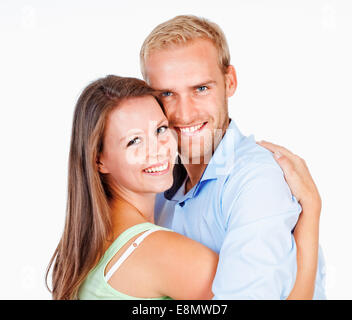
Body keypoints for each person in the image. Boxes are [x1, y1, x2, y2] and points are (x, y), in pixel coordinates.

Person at [46, 75, 321, 299]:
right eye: (133, 141)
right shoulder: (160, 253)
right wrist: (311, 214)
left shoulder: (86, 250)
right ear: (99, 160)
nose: (158, 150)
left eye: (161, 129)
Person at [140, 15, 326, 299]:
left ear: (230, 82)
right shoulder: (157, 184)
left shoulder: (256, 180)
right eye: (167, 93)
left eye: (201, 88)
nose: (185, 113)